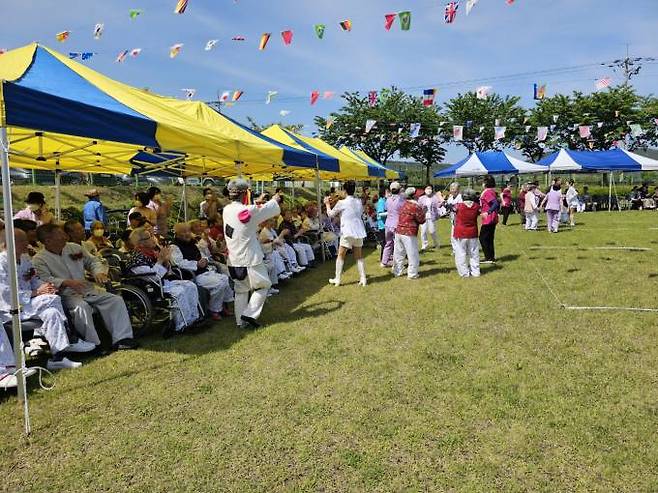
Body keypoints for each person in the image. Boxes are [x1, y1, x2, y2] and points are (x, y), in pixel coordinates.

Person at [0, 230, 96, 370]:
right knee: (51, 299)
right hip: (11, 308)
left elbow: (34, 280)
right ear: (7, 243)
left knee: (52, 313)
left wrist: (45, 286)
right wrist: (36, 292)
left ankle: (58, 357)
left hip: (29, 304)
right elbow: (4, 293)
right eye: (21, 241)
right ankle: (71, 337)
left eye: (26, 240)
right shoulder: (2, 263)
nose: (26, 243)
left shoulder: (25, 259)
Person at [32, 224, 137, 351]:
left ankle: (122, 339)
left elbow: (93, 261)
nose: (65, 237)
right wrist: (65, 282)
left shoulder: (74, 248)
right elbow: (44, 279)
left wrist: (98, 272)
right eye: (60, 235)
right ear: (48, 240)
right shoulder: (39, 259)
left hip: (86, 289)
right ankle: (94, 344)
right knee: (82, 307)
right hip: (65, 295)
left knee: (115, 300)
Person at [223, 179, 283, 329]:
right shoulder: (247, 211)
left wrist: (257, 201)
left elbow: (247, 210)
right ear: (245, 194)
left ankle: (240, 322)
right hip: (249, 259)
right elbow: (269, 210)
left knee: (241, 291)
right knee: (264, 285)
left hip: (233, 259)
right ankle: (249, 314)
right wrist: (274, 199)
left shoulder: (227, 209)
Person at [126, 228, 201, 335]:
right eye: (150, 236)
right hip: (149, 287)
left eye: (152, 235)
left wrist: (165, 261)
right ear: (140, 243)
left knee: (190, 285)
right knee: (179, 292)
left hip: (162, 283)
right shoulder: (136, 258)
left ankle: (193, 319)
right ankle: (181, 325)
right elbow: (152, 277)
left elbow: (166, 272)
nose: (154, 239)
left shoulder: (151, 253)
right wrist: (161, 260)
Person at [170, 222, 233, 321]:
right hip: (191, 275)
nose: (187, 234)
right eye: (184, 232)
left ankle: (220, 306)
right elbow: (178, 263)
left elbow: (202, 255)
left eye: (188, 231)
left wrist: (205, 260)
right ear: (177, 234)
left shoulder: (192, 243)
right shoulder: (174, 246)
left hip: (203, 271)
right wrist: (196, 264)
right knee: (219, 283)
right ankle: (214, 309)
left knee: (225, 278)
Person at [324, 180, 368, 287]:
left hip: (347, 231)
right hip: (358, 231)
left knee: (341, 255)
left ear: (344, 190)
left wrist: (327, 204)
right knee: (359, 256)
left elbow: (330, 214)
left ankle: (337, 279)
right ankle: (363, 278)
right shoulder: (358, 201)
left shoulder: (341, 203)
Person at [392, 187, 426, 280]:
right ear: (414, 196)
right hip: (409, 232)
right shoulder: (416, 206)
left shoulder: (403, 204)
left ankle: (397, 271)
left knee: (398, 253)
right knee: (412, 254)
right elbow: (421, 220)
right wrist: (424, 211)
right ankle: (412, 274)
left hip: (399, 231)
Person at [452, 188, 481, 278]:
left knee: (461, 253)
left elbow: (451, 209)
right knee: (474, 253)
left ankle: (464, 273)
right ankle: (476, 272)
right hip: (473, 232)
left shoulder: (458, 206)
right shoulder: (476, 206)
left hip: (460, 232)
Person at [382, 181, 405, 268]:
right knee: (397, 245)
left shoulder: (388, 200)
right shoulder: (401, 200)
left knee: (388, 243)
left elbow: (386, 209)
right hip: (396, 224)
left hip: (388, 224)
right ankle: (396, 263)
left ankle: (384, 261)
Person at [479, 175, 500, 264]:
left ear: (486, 183)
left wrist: (488, 212)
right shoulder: (491, 191)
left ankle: (488, 257)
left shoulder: (487, 192)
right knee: (489, 238)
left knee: (483, 238)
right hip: (492, 218)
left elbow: (495, 203)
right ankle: (491, 257)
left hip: (489, 218)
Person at [417, 185, 442, 251]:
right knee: (423, 231)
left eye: (430, 188)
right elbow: (418, 207)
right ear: (424, 190)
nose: (429, 190)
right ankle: (424, 245)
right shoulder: (421, 198)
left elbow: (438, 206)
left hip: (432, 216)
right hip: (423, 216)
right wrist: (422, 208)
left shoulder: (435, 198)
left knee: (432, 231)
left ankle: (436, 243)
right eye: (427, 188)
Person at [445, 182, 462, 253]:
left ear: (458, 190)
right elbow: (448, 207)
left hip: (459, 219)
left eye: (454, 189)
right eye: (451, 189)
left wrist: (450, 206)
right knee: (453, 236)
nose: (452, 191)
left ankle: (459, 249)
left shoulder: (460, 197)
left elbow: (459, 207)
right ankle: (455, 250)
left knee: (458, 236)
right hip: (453, 219)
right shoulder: (450, 197)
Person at [375, 185, 388, 258]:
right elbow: (380, 213)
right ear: (383, 193)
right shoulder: (381, 201)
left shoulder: (385, 201)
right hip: (382, 225)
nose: (389, 193)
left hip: (385, 224)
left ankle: (385, 257)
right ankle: (383, 258)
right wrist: (390, 212)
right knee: (384, 243)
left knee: (386, 243)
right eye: (387, 192)